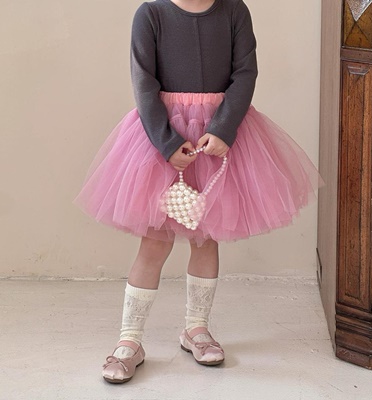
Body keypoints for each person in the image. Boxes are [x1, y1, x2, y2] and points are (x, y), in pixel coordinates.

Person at [74, 0, 322, 384]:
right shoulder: (151, 14)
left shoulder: (234, 11)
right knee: (154, 243)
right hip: (162, 137)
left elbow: (245, 72)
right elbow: (144, 82)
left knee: (205, 238)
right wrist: (167, 142)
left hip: (216, 136)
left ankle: (196, 328)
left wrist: (224, 129)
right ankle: (130, 339)